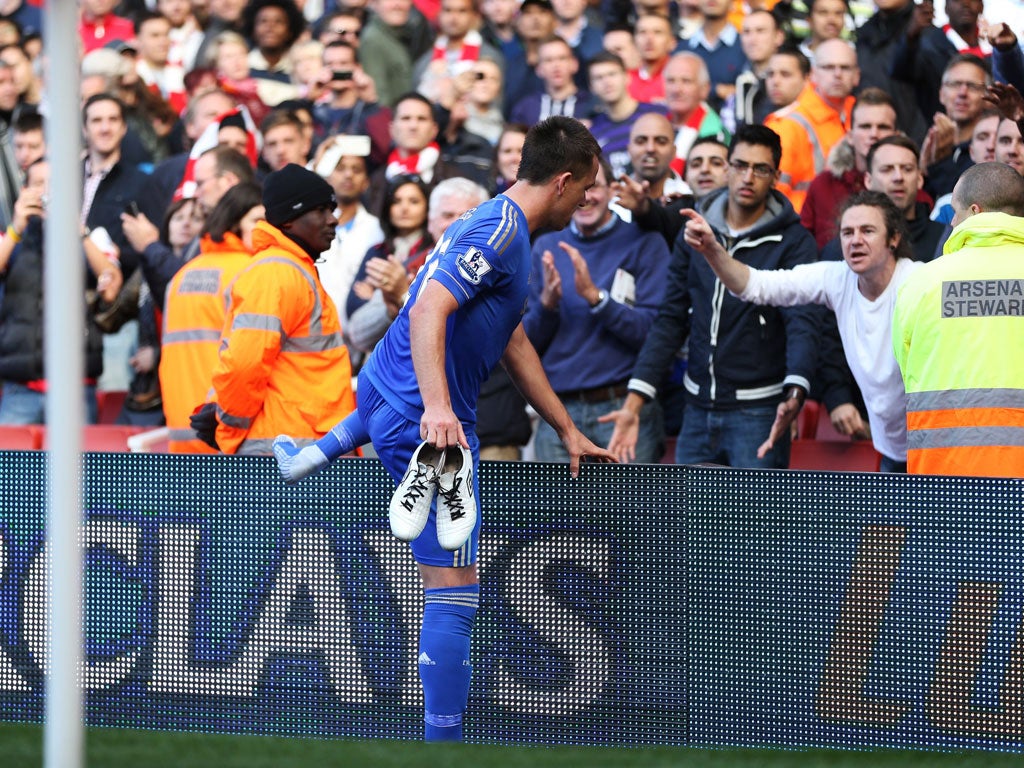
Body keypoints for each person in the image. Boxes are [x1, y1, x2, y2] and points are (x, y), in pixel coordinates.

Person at [270, 115, 617, 741]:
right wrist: (439, 410)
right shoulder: (504, 232)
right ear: (563, 182)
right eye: (589, 185)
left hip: (385, 392)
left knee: (442, 553)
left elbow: (510, 338)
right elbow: (430, 304)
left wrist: (564, 427)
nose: (592, 197)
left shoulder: (494, 223)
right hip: (426, 419)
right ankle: (444, 740)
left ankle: (317, 453)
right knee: (454, 583)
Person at [603, 124, 819, 468]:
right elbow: (670, 319)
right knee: (692, 522)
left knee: (755, 523)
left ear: (776, 176)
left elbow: (802, 322)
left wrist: (796, 389)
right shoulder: (695, 230)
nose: (748, 177)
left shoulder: (794, 242)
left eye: (760, 169)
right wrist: (633, 403)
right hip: (697, 406)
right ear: (729, 168)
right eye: (740, 165)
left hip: (759, 410)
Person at [688, 190, 922, 472]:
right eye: (847, 233)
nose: (855, 240)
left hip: (934, 446)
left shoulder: (919, 281)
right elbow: (754, 286)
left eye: (867, 231)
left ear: (893, 239)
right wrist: (713, 250)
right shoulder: (837, 278)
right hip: (890, 449)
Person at [190, 164, 355, 455]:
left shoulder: (289, 269)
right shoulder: (276, 273)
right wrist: (228, 430)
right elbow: (244, 364)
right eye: (320, 210)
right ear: (289, 221)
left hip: (298, 448)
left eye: (332, 209)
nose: (333, 220)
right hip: (286, 453)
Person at [525, 157, 670, 463]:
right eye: (579, 188)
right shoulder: (546, 246)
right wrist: (548, 305)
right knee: (554, 512)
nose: (587, 197)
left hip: (621, 407)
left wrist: (596, 298)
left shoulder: (645, 243)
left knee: (631, 512)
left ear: (613, 189)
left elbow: (654, 335)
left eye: (594, 186)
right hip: (557, 412)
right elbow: (526, 344)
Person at [892, 162, 1024, 477]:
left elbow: (907, 367)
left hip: (944, 475)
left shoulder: (921, 283)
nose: (952, 221)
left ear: (974, 212)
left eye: (955, 211)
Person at [0, 159, 122, 424]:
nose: (47, 193)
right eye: (39, 185)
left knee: (78, 466)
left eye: (55, 186)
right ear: (24, 191)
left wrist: (77, 230)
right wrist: (16, 226)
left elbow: (111, 284)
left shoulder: (92, 236)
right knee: (10, 464)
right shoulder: (10, 239)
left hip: (75, 388)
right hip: (20, 386)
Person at [161, 183, 264, 452]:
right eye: (258, 221)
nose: (267, 230)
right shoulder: (251, 273)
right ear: (235, 222)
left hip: (183, 434)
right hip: (227, 435)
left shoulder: (181, 276)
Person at [344, 174, 435, 361]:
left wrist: (375, 295)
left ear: (427, 208)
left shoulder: (433, 252)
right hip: (375, 352)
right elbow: (352, 306)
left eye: (414, 201)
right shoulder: (377, 251)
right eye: (396, 201)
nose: (404, 208)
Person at [764, 38, 858, 212]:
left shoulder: (865, 116)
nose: (837, 74)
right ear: (813, 75)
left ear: (857, 75)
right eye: (828, 67)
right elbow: (773, 197)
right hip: (806, 227)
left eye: (845, 67)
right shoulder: (788, 125)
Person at [801, 88, 898, 250]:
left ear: (895, 134)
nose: (874, 134)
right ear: (850, 136)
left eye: (883, 127)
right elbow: (802, 246)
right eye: (865, 126)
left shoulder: (908, 183)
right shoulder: (822, 185)